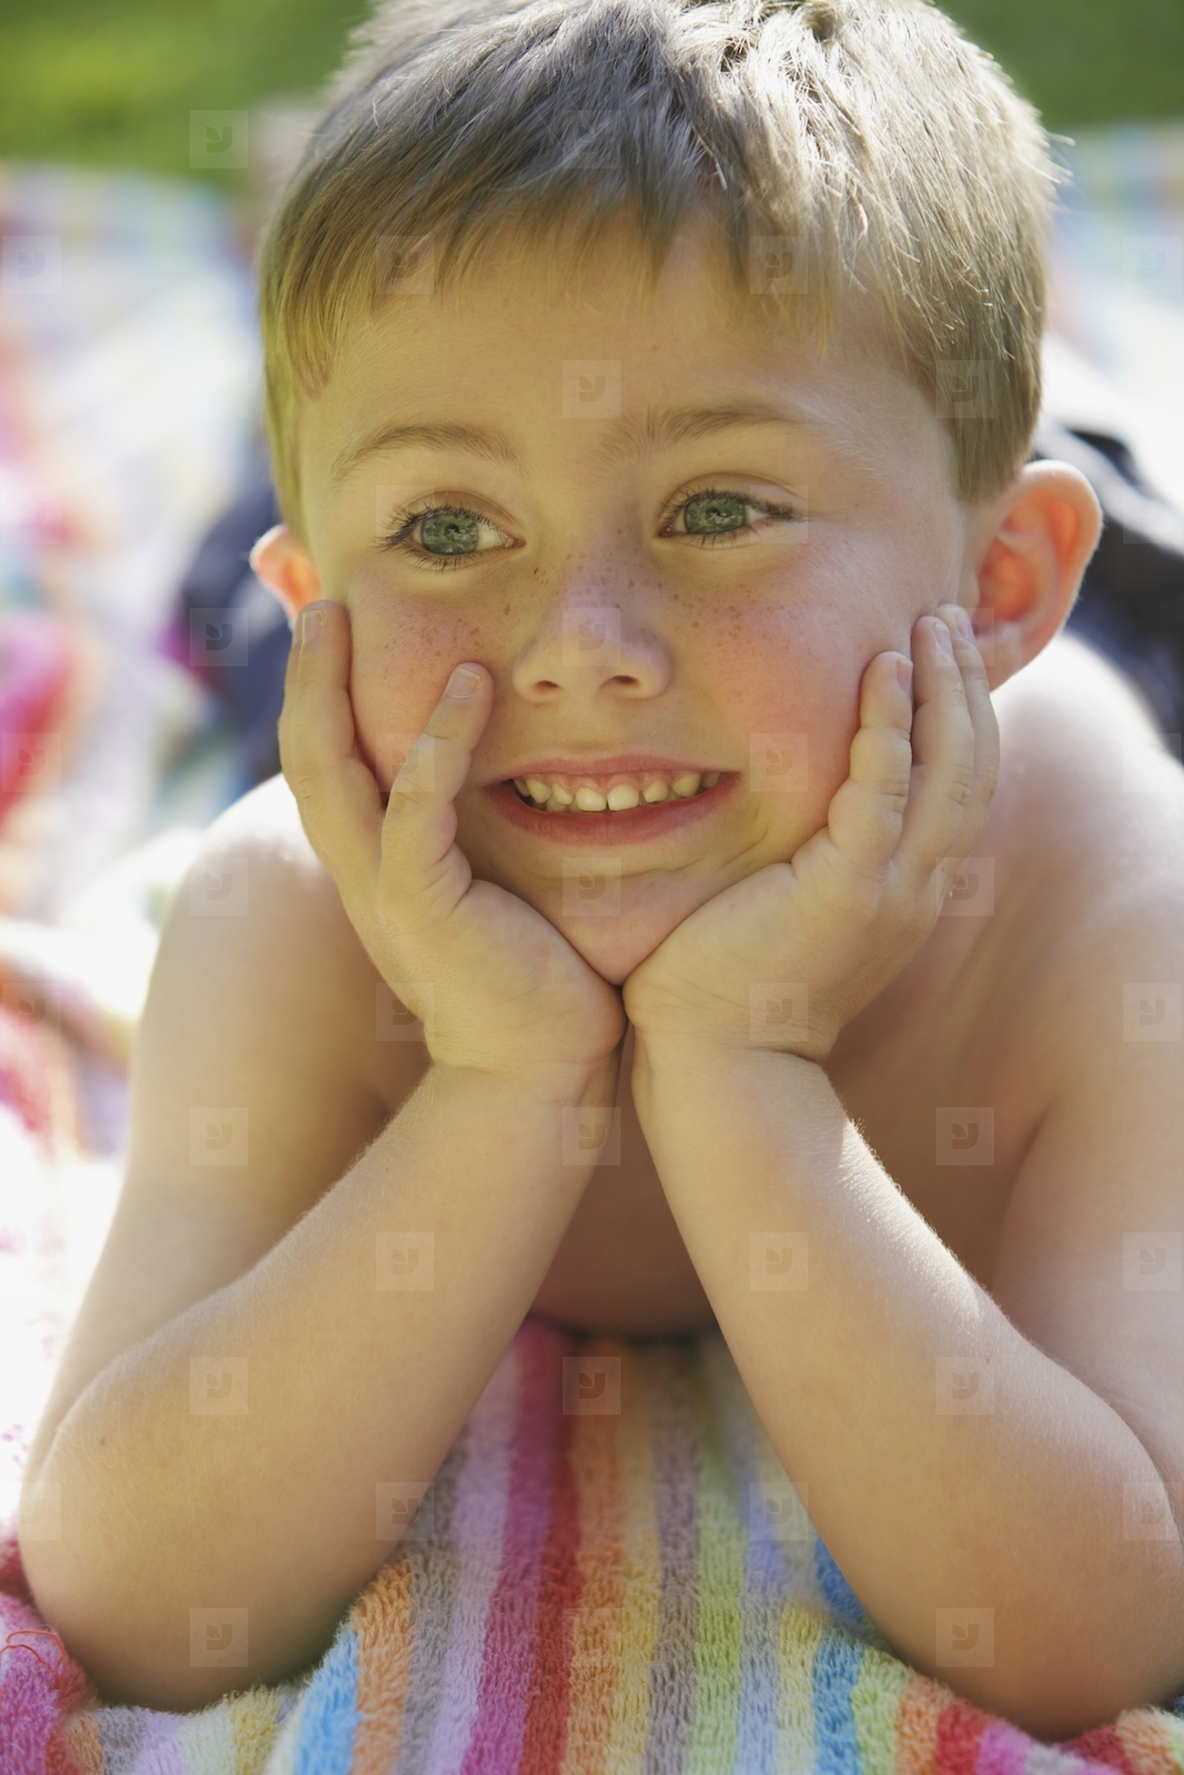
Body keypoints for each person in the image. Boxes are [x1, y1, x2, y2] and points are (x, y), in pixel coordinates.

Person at [20, 0, 1184, 1739]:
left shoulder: (1098, 909)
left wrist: (743, 1061)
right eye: (449, 530)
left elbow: (1101, 1632)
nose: (585, 648)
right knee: (322, 591)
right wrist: (502, 1080)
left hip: (1068, 640)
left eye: (719, 510)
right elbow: (130, 1593)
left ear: (1004, 584)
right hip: (473, 733)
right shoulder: (304, 914)